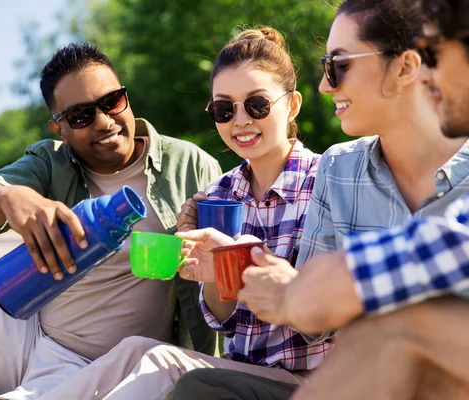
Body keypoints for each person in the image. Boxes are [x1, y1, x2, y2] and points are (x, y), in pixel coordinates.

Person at [170, 0, 469, 398]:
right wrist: (232, 265)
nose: (325, 85)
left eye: (340, 65)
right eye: (222, 109)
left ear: (406, 66)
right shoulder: (340, 167)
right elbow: (310, 319)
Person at [37, 26, 325, 400]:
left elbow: (327, 318)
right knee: (137, 350)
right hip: (246, 373)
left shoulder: (327, 182)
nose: (239, 121)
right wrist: (210, 272)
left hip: (316, 380)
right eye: (224, 109)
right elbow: (227, 321)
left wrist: (245, 265)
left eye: (257, 104)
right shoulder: (218, 193)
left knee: (182, 377)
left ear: (293, 105)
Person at [0, 43, 221, 399]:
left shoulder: (190, 165)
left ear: (125, 97)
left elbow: (221, 273)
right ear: (59, 128)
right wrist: (9, 196)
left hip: (112, 367)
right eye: (81, 115)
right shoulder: (50, 162)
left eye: (111, 101)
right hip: (23, 334)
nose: (104, 121)